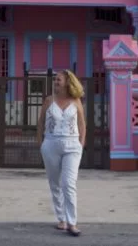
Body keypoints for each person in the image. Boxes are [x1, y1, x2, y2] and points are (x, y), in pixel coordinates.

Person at [36, 69, 86, 237]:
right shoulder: (49, 101)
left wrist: (81, 144)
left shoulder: (76, 101)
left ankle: (72, 222)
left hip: (72, 145)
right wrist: (41, 144)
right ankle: (61, 218)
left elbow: (82, 124)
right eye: (55, 80)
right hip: (50, 144)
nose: (56, 82)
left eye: (59, 80)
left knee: (68, 183)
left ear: (67, 82)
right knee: (55, 183)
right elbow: (41, 122)